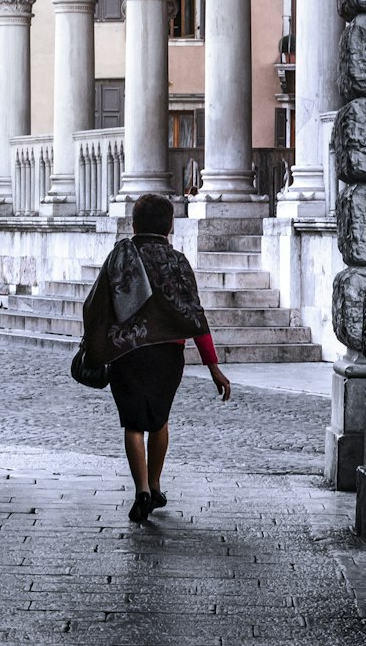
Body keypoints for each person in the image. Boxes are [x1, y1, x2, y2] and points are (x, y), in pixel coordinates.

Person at [82, 193, 231, 523]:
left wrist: (93, 345)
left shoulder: (120, 257)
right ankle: (156, 483)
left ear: (134, 224)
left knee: (134, 423)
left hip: (127, 351)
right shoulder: (177, 262)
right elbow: (195, 314)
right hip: (168, 352)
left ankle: (141, 492)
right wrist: (213, 367)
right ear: (170, 226)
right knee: (159, 419)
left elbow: (96, 304)